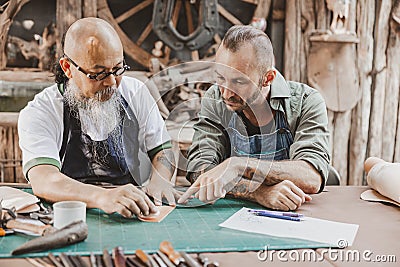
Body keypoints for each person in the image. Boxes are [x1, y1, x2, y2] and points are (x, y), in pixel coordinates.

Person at [18, 17, 181, 218]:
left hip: (131, 212)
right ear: (67, 68)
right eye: (99, 73)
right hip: (68, 215)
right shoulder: (41, 111)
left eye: (118, 69)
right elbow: (44, 179)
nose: (112, 82)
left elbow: (163, 149)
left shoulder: (135, 92)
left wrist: (160, 181)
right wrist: (103, 197)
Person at [178, 25, 330, 211]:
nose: (225, 93)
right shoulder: (215, 98)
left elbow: (312, 177)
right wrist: (259, 193)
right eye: (220, 78)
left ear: (268, 78)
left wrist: (239, 166)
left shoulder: (307, 102)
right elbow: (200, 168)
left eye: (239, 82)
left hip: (296, 214)